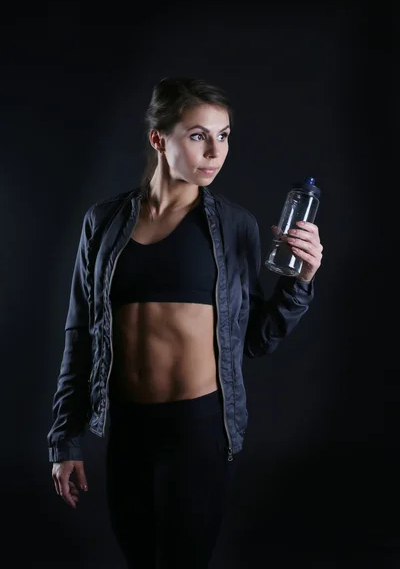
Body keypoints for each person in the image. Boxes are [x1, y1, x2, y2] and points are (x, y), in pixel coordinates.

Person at [48, 76, 323, 569]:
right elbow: (80, 332)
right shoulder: (103, 221)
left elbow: (255, 340)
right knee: (139, 558)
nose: (216, 151)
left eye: (225, 135)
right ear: (159, 139)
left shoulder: (235, 226)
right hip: (128, 428)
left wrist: (299, 282)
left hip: (198, 430)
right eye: (198, 135)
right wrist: (64, 438)